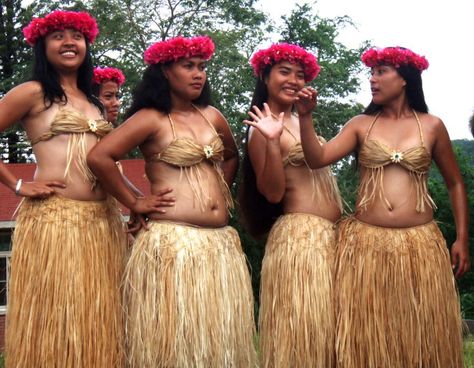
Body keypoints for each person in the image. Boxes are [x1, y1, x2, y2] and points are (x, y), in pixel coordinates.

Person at [87, 35, 257, 367]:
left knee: (216, 342)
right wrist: (135, 202)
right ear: (166, 71)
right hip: (173, 246)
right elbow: (100, 157)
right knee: (175, 344)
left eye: (202, 67)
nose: (199, 74)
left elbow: (233, 155)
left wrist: (218, 190)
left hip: (219, 245)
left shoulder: (212, 116)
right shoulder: (151, 118)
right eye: (188, 66)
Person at [296, 46, 469, 368]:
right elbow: (317, 159)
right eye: (371, 73)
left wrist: (461, 238)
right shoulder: (362, 124)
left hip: (420, 246)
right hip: (366, 246)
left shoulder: (431, 125)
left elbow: (455, 183)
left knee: (420, 332)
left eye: (381, 72)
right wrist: (305, 117)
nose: (373, 80)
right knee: (369, 336)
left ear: (405, 79)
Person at [0, 10, 127, 367]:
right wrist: (18, 182)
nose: (69, 42)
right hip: (57, 222)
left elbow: (106, 162)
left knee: (99, 321)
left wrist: (129, 205)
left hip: (102, 224)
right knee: (59, 318)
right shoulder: (33, 92)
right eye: (58, 36)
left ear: (87, 45)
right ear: (42, 46)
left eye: (77, 36)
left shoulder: (95, 102)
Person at [239, 43, 342, 367]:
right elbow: (271, 192)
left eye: (300, 75)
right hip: (300, 242)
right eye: (285, 72)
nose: (294, 80)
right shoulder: (261, 127)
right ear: (265, 75)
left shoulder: (300, 120)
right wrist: (270, 141)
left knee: (331, 336)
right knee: (304, 335)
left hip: (330, 240)